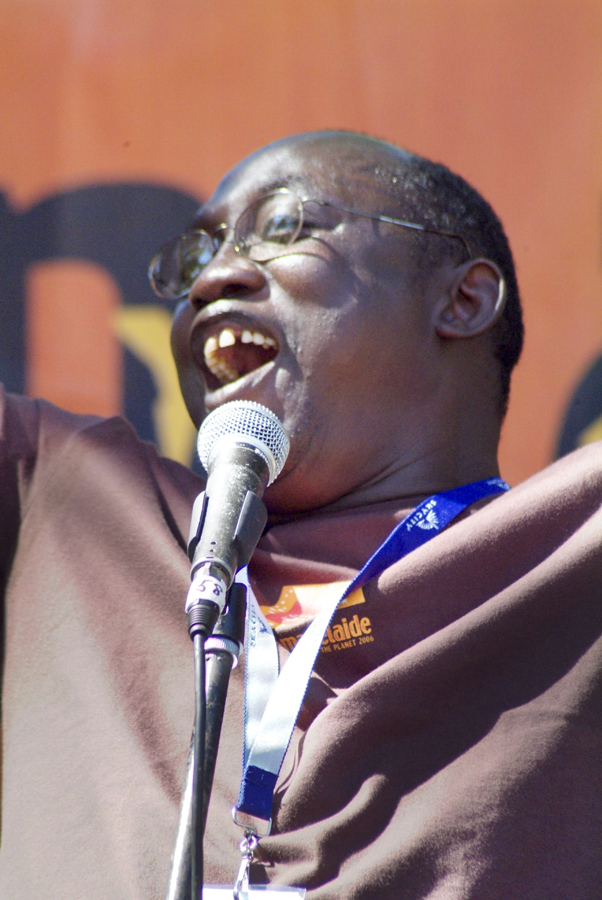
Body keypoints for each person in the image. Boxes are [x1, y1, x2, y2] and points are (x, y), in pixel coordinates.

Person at [1, 131, 600, 899]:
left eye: (287, 226)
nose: (213, 278)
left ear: (463, 299)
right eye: (195, 258)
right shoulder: (64, 502)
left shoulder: (576, 556)